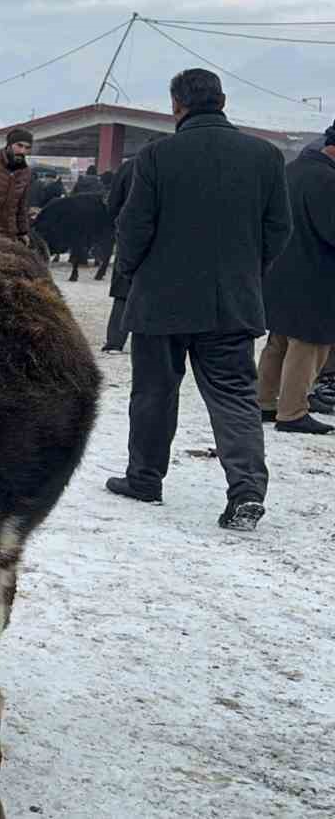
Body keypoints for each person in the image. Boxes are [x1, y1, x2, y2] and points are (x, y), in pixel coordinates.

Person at [106, 69, 292, 532]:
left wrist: (131, 273)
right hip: (231, 301)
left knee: (153, 393)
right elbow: (278, 229)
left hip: (159, 301)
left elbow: (134, 228)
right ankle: (247, 489)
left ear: (176, 105)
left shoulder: (156, 156)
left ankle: (145, 478)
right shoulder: (265, 157)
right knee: (234, 397)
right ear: (223, 100)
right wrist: (249, 271)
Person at [257, 125, 335, 434]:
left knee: (278, 341)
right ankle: (292, 412)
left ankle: (263, 402)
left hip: (280, 271)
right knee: (309, 345)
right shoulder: (328, 181)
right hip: (315, 276)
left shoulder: (290, 171)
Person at [102, 157, 138, 351]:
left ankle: (115, 341)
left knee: (123, 290)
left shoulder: (127, 167)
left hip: (129, 235)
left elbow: (112, 204)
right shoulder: (173, 164)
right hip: (165, 239)